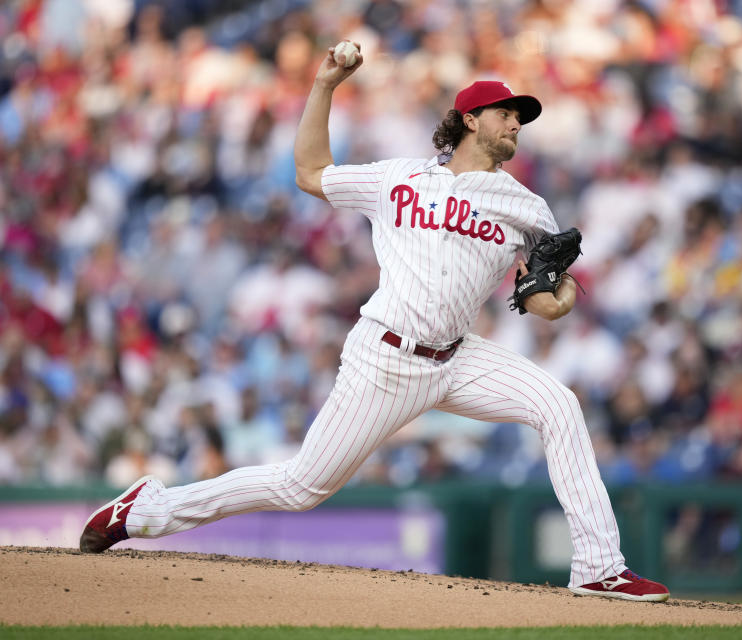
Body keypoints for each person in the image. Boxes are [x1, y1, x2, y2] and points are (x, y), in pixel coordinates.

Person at [79, 40, 670, 603]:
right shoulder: (399, 179)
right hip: (385, 357)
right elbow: (312, 173)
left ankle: (599, 569)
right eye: (506, 112)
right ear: (469, 119)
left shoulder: (526, 205)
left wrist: (558, 296)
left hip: (459, 356)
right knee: (300, 486)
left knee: (558, 405)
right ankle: (146, 510)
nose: (517, 123)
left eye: (521, 116)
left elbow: (543, 295)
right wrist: (324, 85)